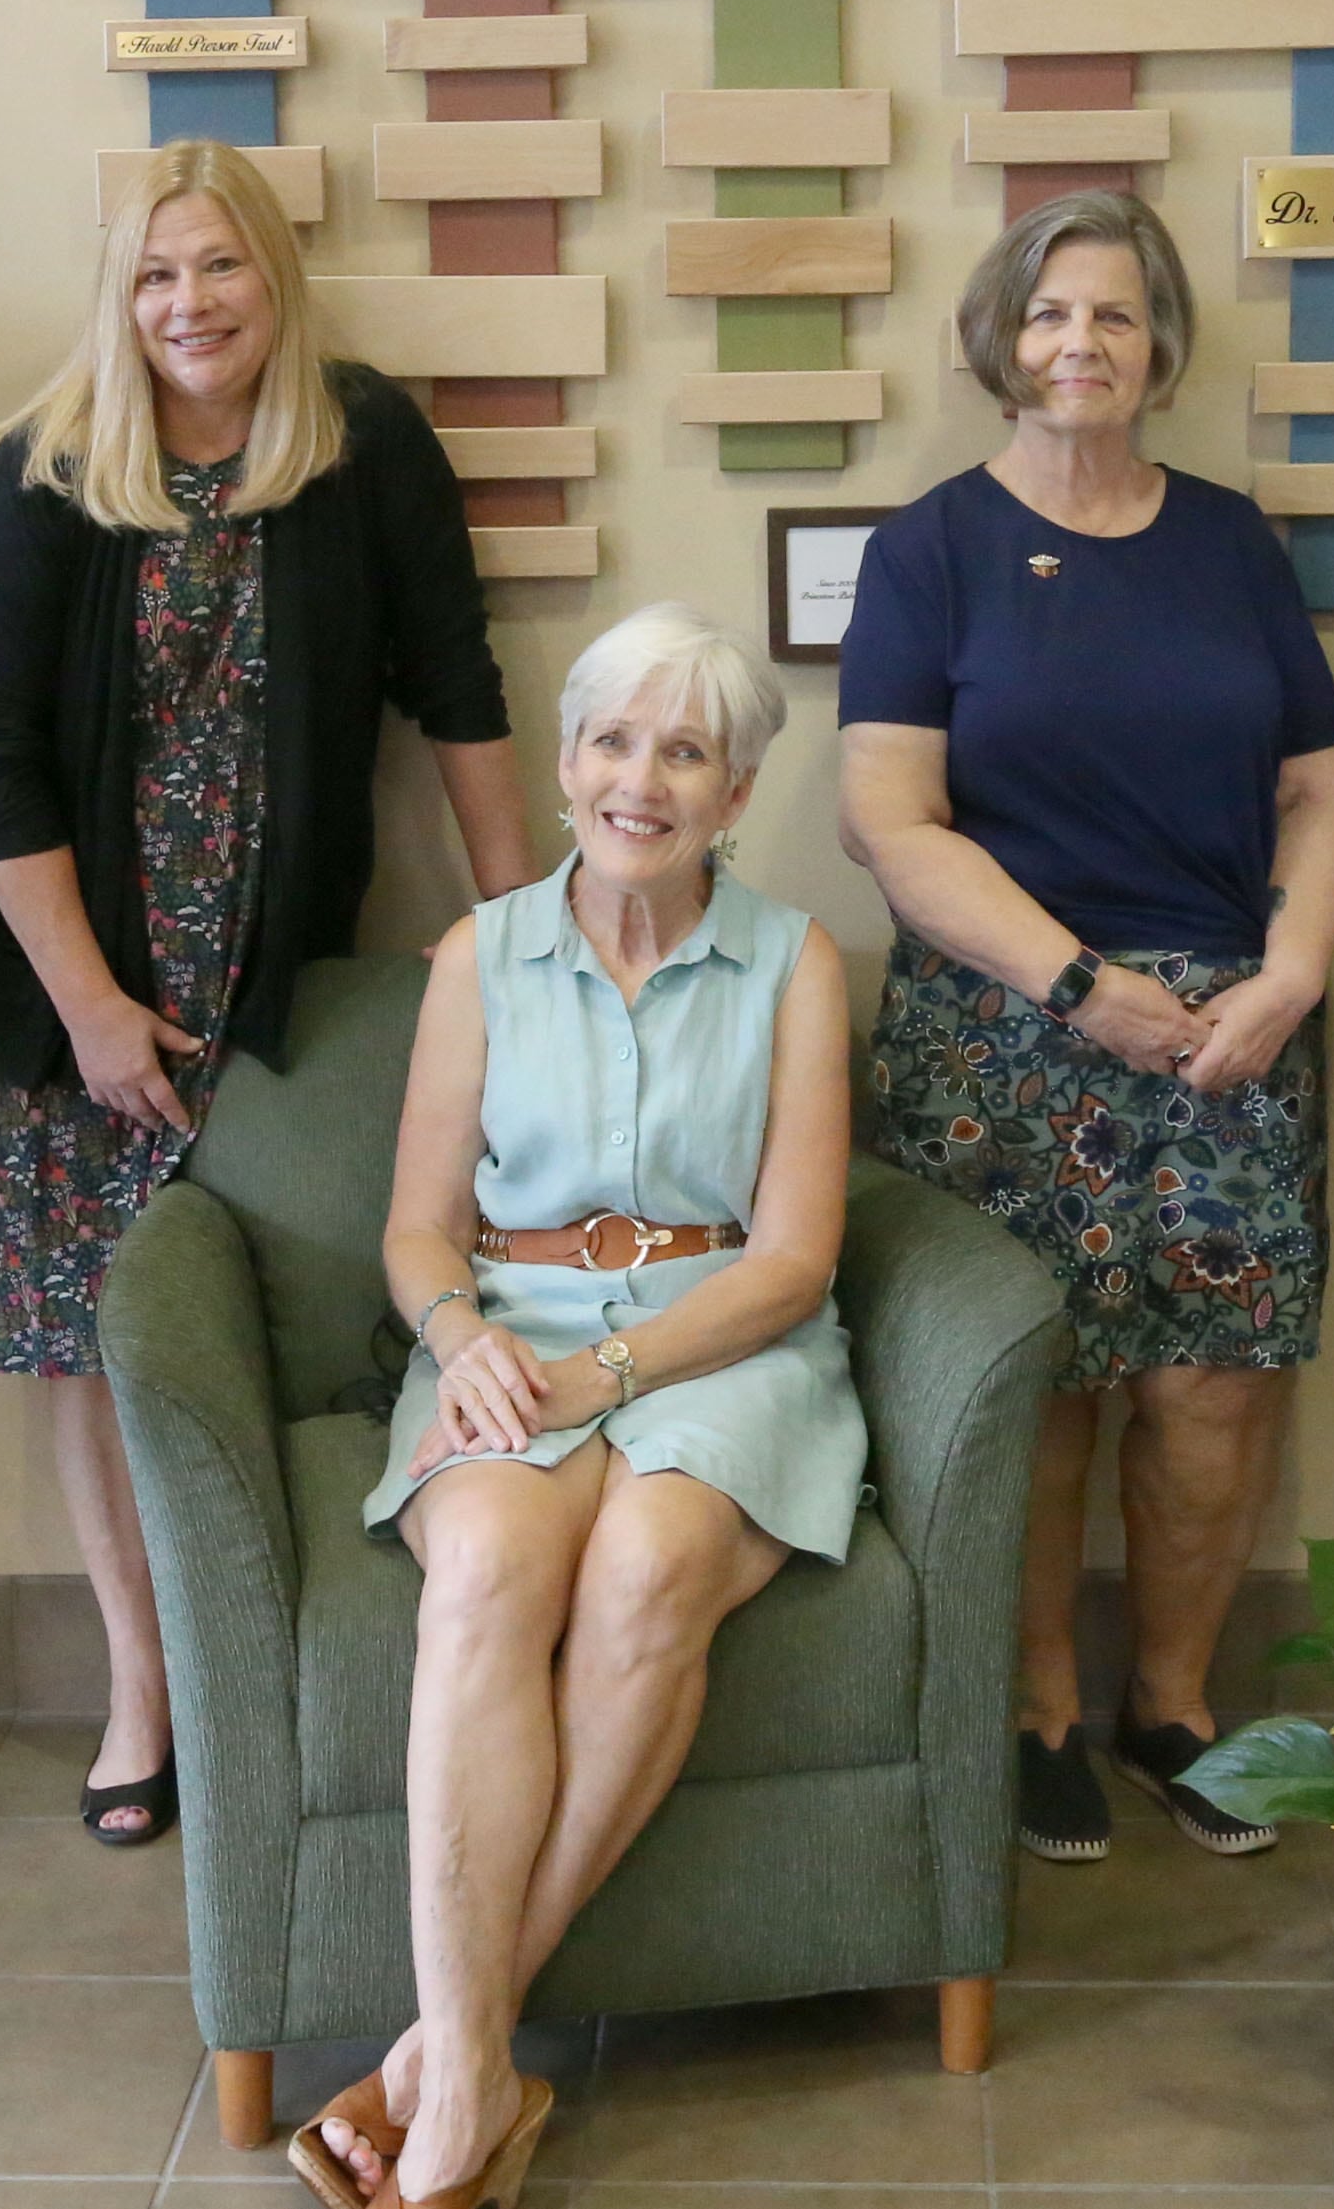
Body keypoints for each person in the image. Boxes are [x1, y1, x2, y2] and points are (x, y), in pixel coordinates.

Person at [0, 137, 536, 1847]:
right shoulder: (43, 473)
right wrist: (92, 1012)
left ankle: (265, 1666)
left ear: (274, 280)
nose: (187, 306)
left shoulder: (363, 447)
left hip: (272, 997)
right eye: (152, 274)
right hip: (70, 1000)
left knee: (251, 1335)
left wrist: (529, 944)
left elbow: (459, 690)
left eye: (219, 269)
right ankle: (145, 1687)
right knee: (98, 1349)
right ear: (113, 297)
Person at [304, 604, 857, 2209]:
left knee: (644, 1572)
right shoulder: (479, 953)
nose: (643, 778)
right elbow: (416, 1224)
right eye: (614, 740)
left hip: (723, 1343)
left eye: (685, 750)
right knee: (482, 1572)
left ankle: (441, 2058)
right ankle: (478, 2064)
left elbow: (797, 1257)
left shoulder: (793, 963)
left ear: (735, 793)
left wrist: (611, 1371)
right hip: (510, 1329)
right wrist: (463, 1330)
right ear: (564, 766)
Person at [838, 189, 1334, 1868]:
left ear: (1161, 348)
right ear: (1003, 334)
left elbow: (1322, 783)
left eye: (1117, 316)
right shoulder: (930, 550)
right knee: (1037, 1384)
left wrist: (1287, 977)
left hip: (1234, 1030)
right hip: (1007, 1026)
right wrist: (1076, 985)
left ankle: (1179, 1703)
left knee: (1214, 1384)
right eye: (1053, 312)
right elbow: (890, 825)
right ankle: (1039, 1703)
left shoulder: (1229, 544)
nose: (1083, 344)